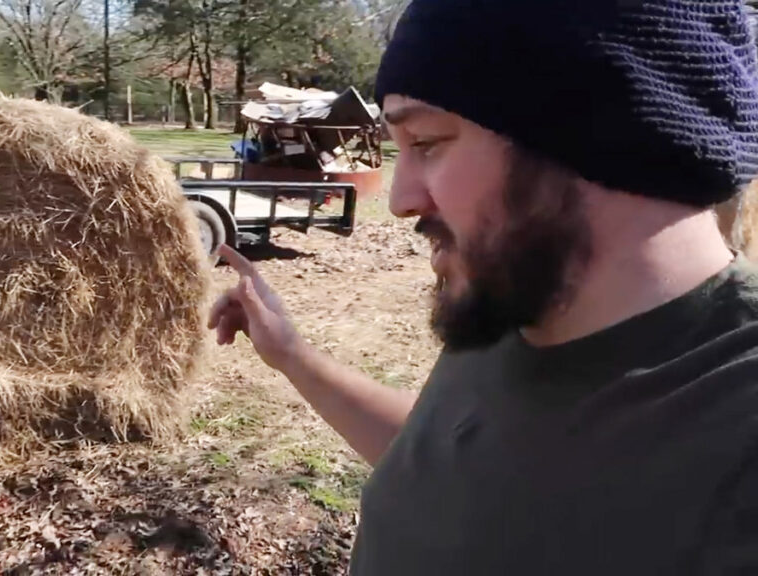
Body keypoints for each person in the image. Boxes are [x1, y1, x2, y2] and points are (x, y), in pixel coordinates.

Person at [208, 0, 758, 573]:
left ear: (590, 133)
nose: (400, 201)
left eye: (425, 143)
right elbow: (449, 470)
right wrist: (293, 357)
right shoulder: (519, 297)